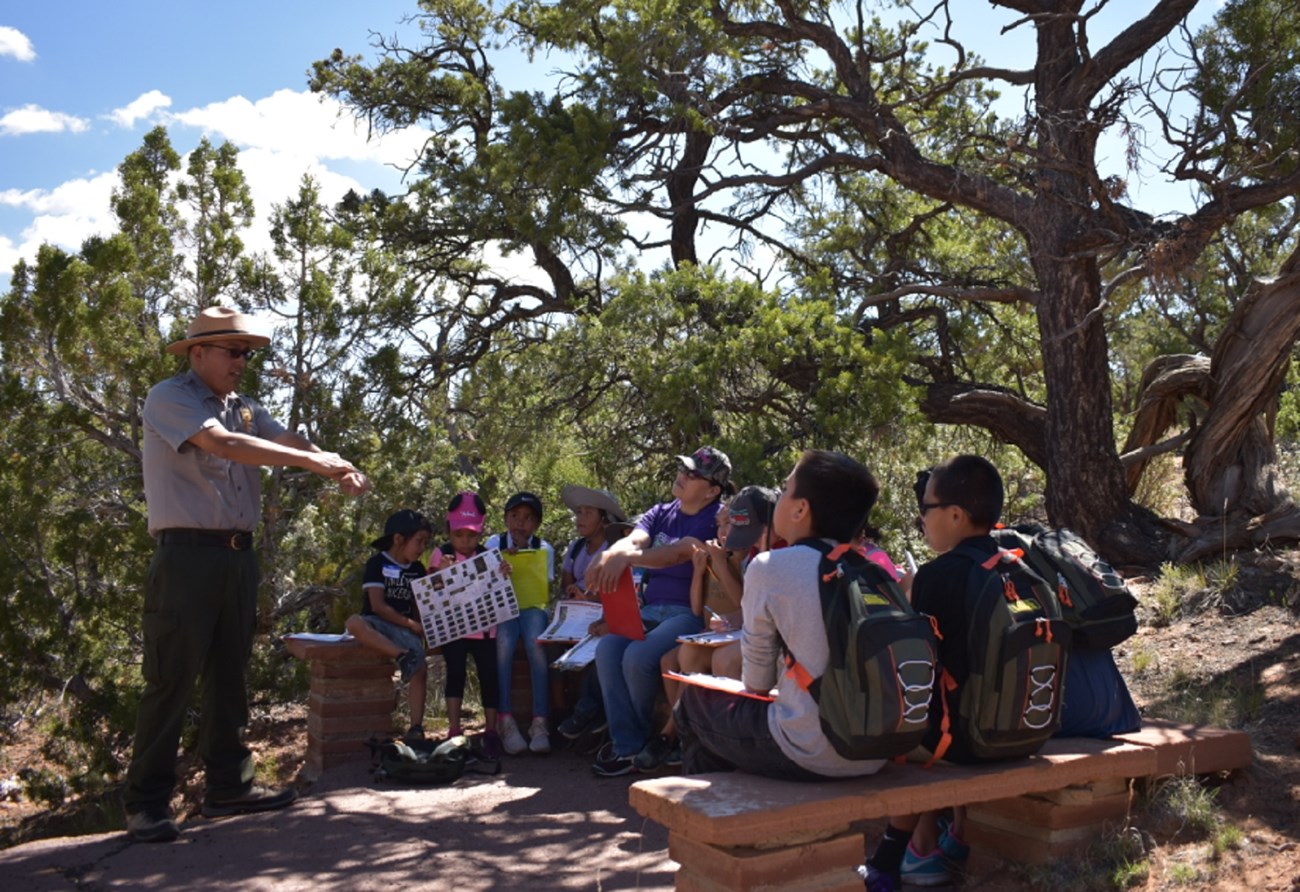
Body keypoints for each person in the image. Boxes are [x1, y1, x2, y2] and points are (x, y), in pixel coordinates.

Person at [124, 306, 371, 844]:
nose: (242, 361)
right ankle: (145, 804)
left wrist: (335, 459)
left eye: (247, 353)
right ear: (198, 353)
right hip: (185, 556)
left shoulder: (245, 407)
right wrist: (317, 465)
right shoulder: (171, 397)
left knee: (229, 672)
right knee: (170, 678)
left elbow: (285, 442)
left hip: (237, 555)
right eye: (232, 351)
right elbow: (225, 445)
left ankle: (228, 787)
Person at [673, 449, 891, 784]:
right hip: (875, 749)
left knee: (693, 704)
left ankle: (715, 823)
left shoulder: (771, 567)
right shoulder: (875, 573)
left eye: (786, 490)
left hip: (813, 749)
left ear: (801, 510)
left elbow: (757, 684)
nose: (781, 497)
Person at [864, 455, 1009, 889]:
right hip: (1023, 729)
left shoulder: (937, 575)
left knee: (895, 737)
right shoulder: (1017, 565)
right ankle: (950, 836)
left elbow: (919, 667)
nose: (921, 519)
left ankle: (890, 859)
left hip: (963, 739)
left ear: (955, 515)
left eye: (925, 509)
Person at [585, 446, 732, 776]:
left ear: (712, 490)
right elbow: (635, 540)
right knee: (607, 649)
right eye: (683, 469)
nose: (682, 475)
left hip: (689, 613)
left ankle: (646, 742)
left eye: (693, 474)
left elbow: (676, 554)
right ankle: (628, 745)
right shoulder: (662, 511)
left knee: (638, 656)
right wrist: (611, 554)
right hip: (651, 610)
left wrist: (625, 558)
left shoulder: (717, 518)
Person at [343, 510, 434, 742]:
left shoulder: (417, 570)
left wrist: (422, 627)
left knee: (420, 668)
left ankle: (415, 727)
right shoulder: (377, 563)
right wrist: (411, 625)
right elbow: (378, 605)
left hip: (404, 628)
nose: (422, 547)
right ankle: (402, 656)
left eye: (425, 542)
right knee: (353, 623)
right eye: (419, 541)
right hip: (377, 623)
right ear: (398, 539)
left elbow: (417, 604)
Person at [555, 485, 628, 741]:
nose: (580, 519)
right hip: (576, 613)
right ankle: (561, 711)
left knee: (599, 649)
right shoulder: (575, 549)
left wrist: (590, 597)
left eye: (588, 513)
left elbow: (619, 589)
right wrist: (573, 591)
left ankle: (587, 712)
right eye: (579, 513)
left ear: (604, 519)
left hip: (603, 614)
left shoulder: (615, 548)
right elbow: (566, 581)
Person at [486, 492, 556, 755]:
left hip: (531, 608)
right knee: (503, 643)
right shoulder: (494, 542)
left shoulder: (544, 548)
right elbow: (483, 581)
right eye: (514, 516)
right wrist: (500, 564)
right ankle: (505, 719)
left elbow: (543, 587)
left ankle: (540, 721)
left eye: (527, 519)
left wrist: (524, 559)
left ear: (536, 524)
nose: (520, 523)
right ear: (505, 519)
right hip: (503, 608)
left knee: (536, 644)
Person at [436, 491, 504, 759]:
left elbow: (497, 589)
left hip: (485, 629)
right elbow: (431, 593)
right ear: (449, 531)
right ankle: (454, 731)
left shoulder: (488, 555)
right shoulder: (440, 554)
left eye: (471, 536)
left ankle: (490, 732)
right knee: (455, 676)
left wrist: (503, 572)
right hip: (453, 629)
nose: (465, 542)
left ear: (481, 531)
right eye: (458, 535)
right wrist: (441, 573)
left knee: (489, 677)